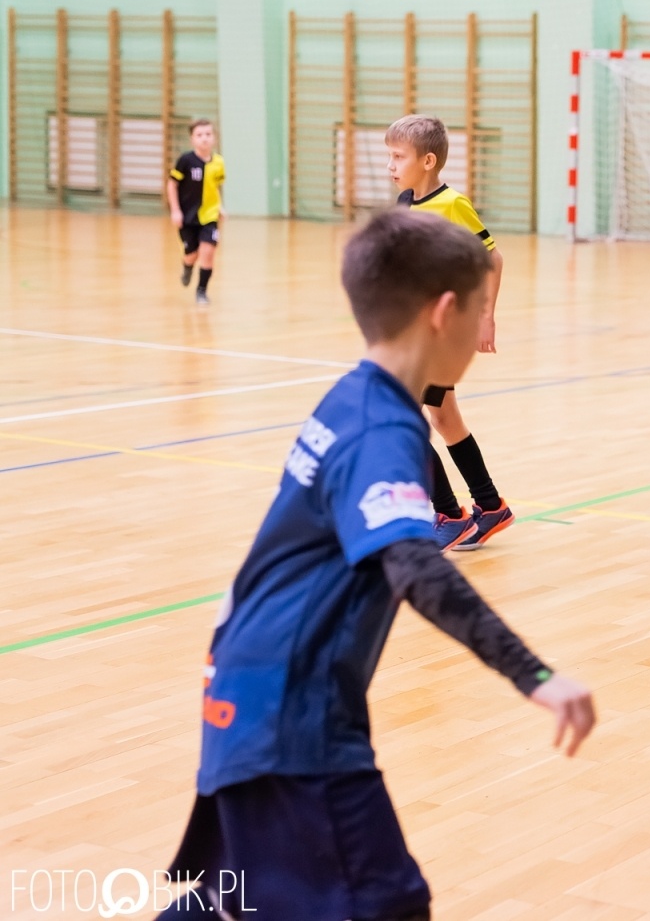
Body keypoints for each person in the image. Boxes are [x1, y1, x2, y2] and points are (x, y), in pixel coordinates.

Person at [157, 210, 595, 920]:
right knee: (383, 904)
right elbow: (415, 566)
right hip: (291, 712)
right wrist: (535, 675)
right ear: (444, 313)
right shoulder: (383, 429)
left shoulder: (354, 396)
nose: (483, 331)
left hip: (251, 687)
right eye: (480, 309)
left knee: (245, 899)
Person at [385, 114, 514, 551]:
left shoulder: (453, 204)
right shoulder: (405, 202)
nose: (391, 165)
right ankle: (489, 506)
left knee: (404, 418)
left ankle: (449, 512)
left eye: (398, 157)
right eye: (390, 156)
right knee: (444, 419)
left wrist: (486, 316)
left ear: (428, 161)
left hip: (441, 336)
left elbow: (492, 258)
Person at [167, 118, 225, 306]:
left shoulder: (219, 162)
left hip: (209, 216)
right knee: (192, 254)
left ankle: (201, 291)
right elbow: (172, 184)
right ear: (192, 139)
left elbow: (215, 187)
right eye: (199, 135)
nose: (204, 138)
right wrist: (175, 210)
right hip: (188, 217)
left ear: (214, 138)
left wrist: (220, 207)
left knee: (208, 252)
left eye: (208, 134)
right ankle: (187, 266)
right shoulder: (185, 160)